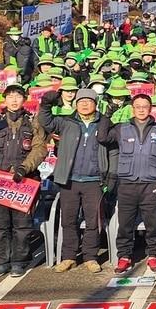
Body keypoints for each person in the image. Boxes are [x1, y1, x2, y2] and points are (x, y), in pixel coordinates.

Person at [0, 84, 48, 277]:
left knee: (22, 225)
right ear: (4, 99)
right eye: (10, 96)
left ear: (24, 99)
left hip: (24, 179)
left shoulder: (32, 122)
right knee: (0, 224)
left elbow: (40, 148)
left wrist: (24, 168)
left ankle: (19, 261)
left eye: (18, 96)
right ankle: (2, 261)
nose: (14, 100)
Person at [98, 94, 156, 273]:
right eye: (137, 106)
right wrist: (106, 117)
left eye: (145, 106)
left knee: (153, 222)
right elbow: (102, 138)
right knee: (125, 223)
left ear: (150, 108)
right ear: (132, 108)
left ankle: (154, 255)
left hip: (151, 183)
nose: (141, 109)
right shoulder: (122, 129)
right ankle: (124, 256)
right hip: (127, 183)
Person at [39, 87, 112, 272]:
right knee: (68, 220)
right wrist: (46, 103)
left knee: (92, 221)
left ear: (96, 104)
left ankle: (90, 257)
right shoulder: (67, 122)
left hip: (94, 180)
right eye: (81, 101)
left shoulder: (104, 123)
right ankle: (69, 256)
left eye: (89, 101)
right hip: (69, 180)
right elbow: (45, 120)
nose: (85, 104)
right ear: (75, 104)